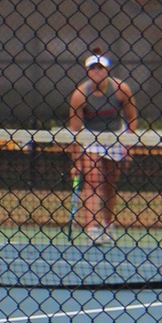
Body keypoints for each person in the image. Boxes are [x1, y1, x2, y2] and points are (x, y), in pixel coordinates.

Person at [68, 48, 138, 245]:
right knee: (92, 180)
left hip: (116, 136)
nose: (97, 71)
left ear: (107, 70)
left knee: (109, 184)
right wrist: (76, 162)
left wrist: (129, 146)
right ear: (87, 71)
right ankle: (92, 229)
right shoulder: (80, 95)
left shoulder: (121, 89)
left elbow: (132, 119)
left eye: (101, 68)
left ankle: (108, 225)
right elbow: (75, 132)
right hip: (91, 138)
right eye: (93, 68)